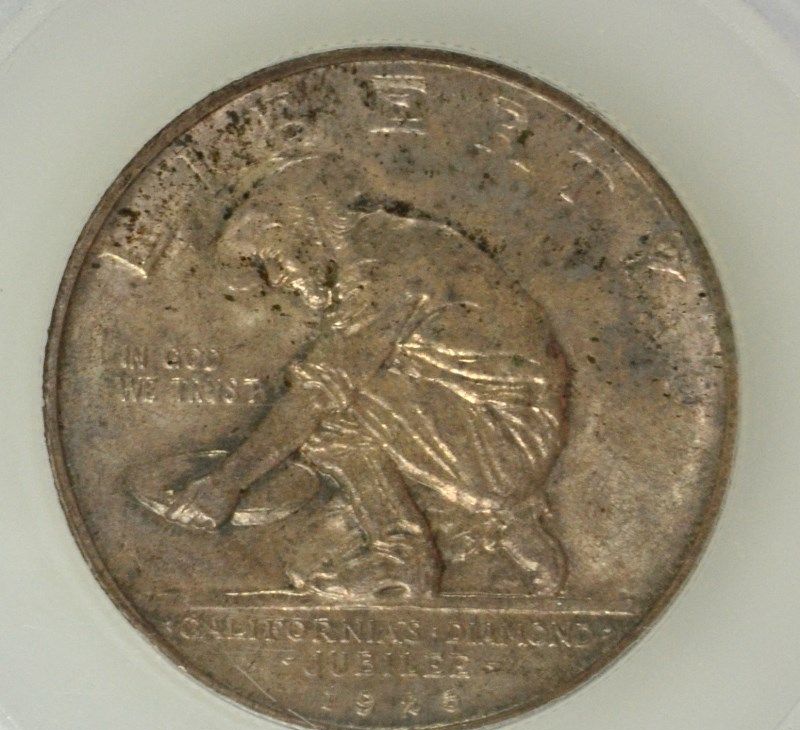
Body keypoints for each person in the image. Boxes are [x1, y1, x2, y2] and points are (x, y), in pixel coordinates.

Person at [161, 152, 571, 599]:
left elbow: (320, 392)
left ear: (304, 232)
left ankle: (408, 554)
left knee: (329, 401)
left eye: (275, 260)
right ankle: (492, 523)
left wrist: (226, 482)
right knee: (309, 564)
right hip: (474, 432)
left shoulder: (391, 261)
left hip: (504, 438)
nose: (278, 281)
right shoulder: (378, 250)